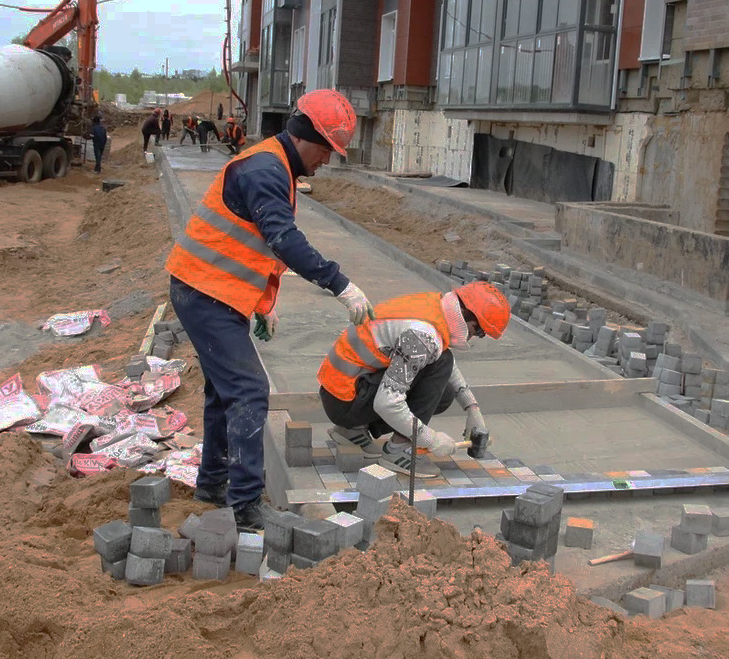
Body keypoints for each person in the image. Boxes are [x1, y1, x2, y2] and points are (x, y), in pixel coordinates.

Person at [166, 88, 370, 531]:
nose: (328, 160)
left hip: (210, 288)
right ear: (305, 136)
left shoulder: (275, 165)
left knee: (225, 392)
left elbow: (250, 244)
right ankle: (244, 506)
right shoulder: (265, 169)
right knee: (249, 390)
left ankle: (212, 484)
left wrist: (260, 303)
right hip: (203, 291)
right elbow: (282, 240)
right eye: (328, 150)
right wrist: (340, 284)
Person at [318, 282, 511, 477]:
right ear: (467, 317)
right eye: (477, 332)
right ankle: (399, 451)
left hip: (341, 392)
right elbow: (387, 403)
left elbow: (437, 355)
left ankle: (351, 431)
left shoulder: (435, 307)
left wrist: (472, 408)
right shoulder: (422, 336)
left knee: (443, 380)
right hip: (346, 402)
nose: (473, 338)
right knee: (441, 367)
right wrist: (431, 440)